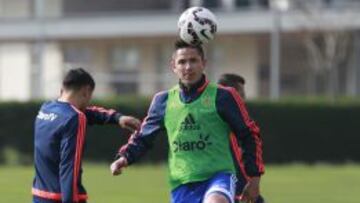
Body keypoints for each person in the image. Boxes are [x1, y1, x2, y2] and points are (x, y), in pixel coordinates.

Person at [110, 40, 264, 203]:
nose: (188, 67)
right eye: (182, 62)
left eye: (193, 61)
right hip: (182, 183)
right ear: (173, 66)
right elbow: (144, 136)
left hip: (220, 177)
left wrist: (254, 179)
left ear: (203, 64)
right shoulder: (163, 101)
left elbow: (249, 134)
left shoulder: (223, 96)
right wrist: (125, 157)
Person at [32, 68, 141, 203]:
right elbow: (70, 166)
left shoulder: (46, 108)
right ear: (86, 91)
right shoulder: (75, 118)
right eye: (90, 96)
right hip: (62, 198)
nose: (89, 101)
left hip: (40, 195)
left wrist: (117, 118)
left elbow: (86, 112)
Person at [218, 73, 266, 203]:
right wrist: (251, 183)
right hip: (232, 188)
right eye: (241, 95)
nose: (243, 100)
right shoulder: (223, 121)